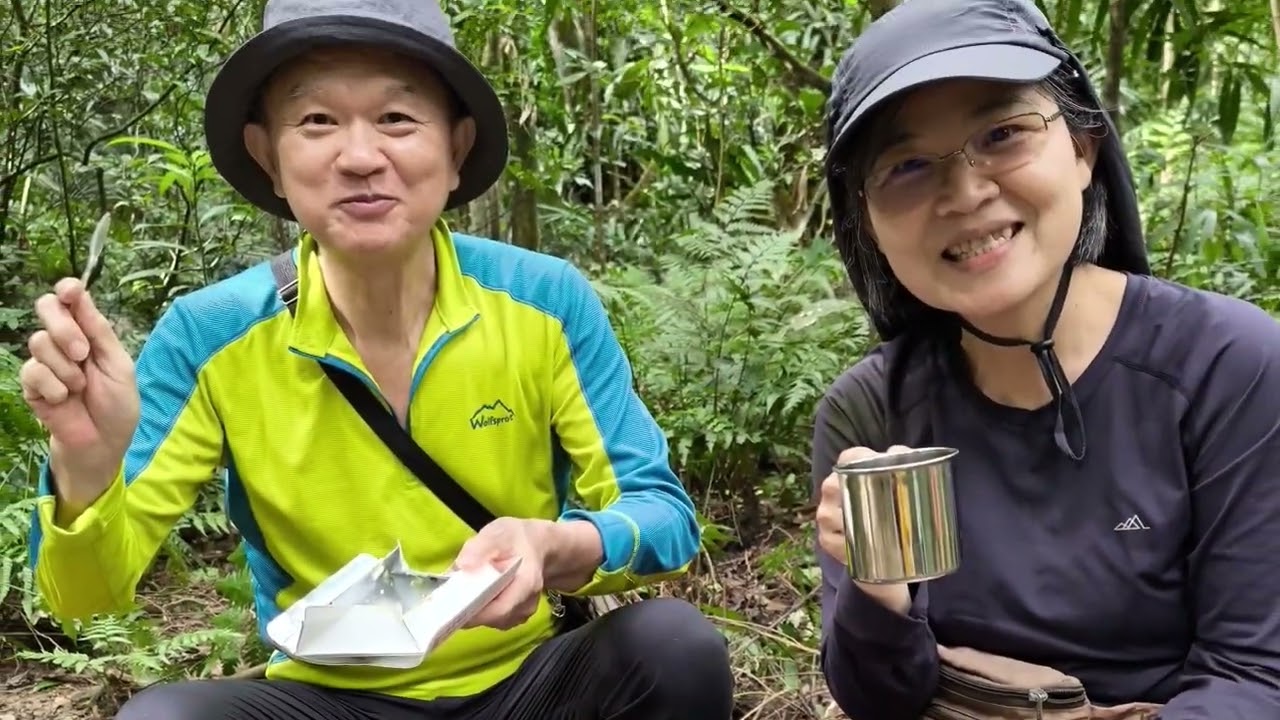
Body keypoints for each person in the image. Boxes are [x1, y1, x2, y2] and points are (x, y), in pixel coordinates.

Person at [19, 0, 734, 718]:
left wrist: (556, 544)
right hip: (329, 700)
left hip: (529, 681)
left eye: (396, 119)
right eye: (317, 122)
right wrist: (86, 469)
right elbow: (84, 599)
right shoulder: (211, 335)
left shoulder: (542, 301)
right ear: (269, 157)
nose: (361, 158)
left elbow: (664, 519)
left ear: (455, 151)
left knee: (673, 648)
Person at [810, 2, 1280, 720]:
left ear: (1085, 148)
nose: (966, 193)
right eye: (906, 166)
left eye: (1002, 134)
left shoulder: (1228, 367)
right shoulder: (871, 412)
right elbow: (879, 700)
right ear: (866, 222)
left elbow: (1254, 675)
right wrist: (878, 597)